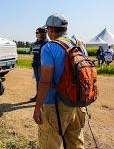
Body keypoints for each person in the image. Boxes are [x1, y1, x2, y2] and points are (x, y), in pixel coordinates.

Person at [33, 13, 86, 149]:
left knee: (50, 143)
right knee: (76, 144)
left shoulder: (49, 48)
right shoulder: (79, 44)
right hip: (77, 103)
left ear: (50, 29)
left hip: (55, 104)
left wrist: (37, 107)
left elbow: (45, 82)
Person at [30, 27, 48, 102]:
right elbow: (33, 53)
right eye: (36, 32)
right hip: (35, 65)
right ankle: (38, 96)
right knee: (38, 81)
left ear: (42, 34)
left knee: (42, 82)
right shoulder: (35, 43)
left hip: (42, 65)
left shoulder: (46, 43)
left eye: (37, 32)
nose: (36, 34)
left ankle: (43, 98)